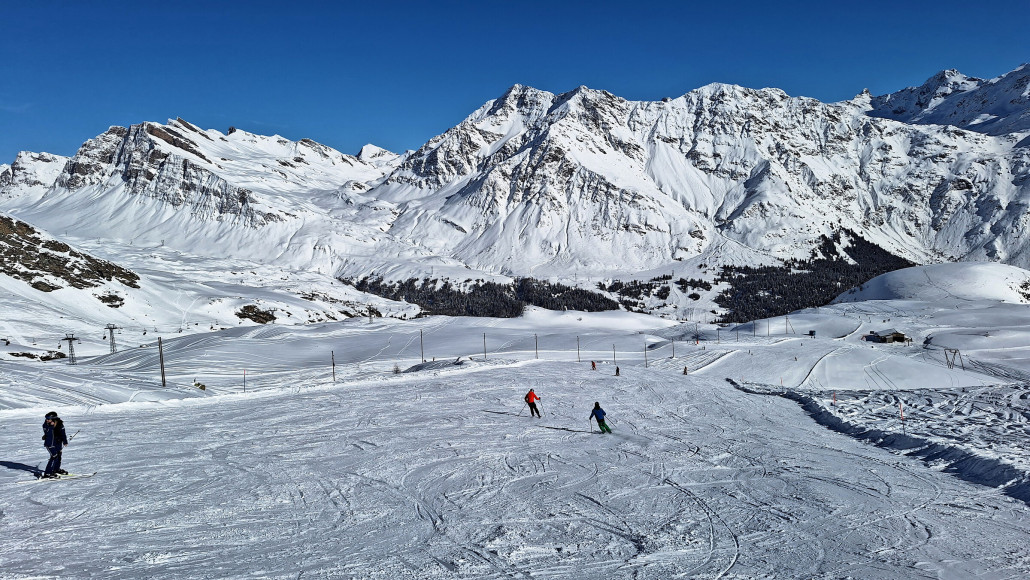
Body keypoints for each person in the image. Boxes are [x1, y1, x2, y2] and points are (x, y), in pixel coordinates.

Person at [41, 412, 68, 478]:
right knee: (54, 456)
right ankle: (48, 473)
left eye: (48, 419)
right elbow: (48, 432)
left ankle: (56, 469)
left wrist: (65, 441)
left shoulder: (60, 424)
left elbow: (63, 434)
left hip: (58, 442)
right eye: (46, 418)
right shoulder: (46, 425)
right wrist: (51, 426)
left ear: (53, 419)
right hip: (50, 444)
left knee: (59, 455)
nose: (47, 420)